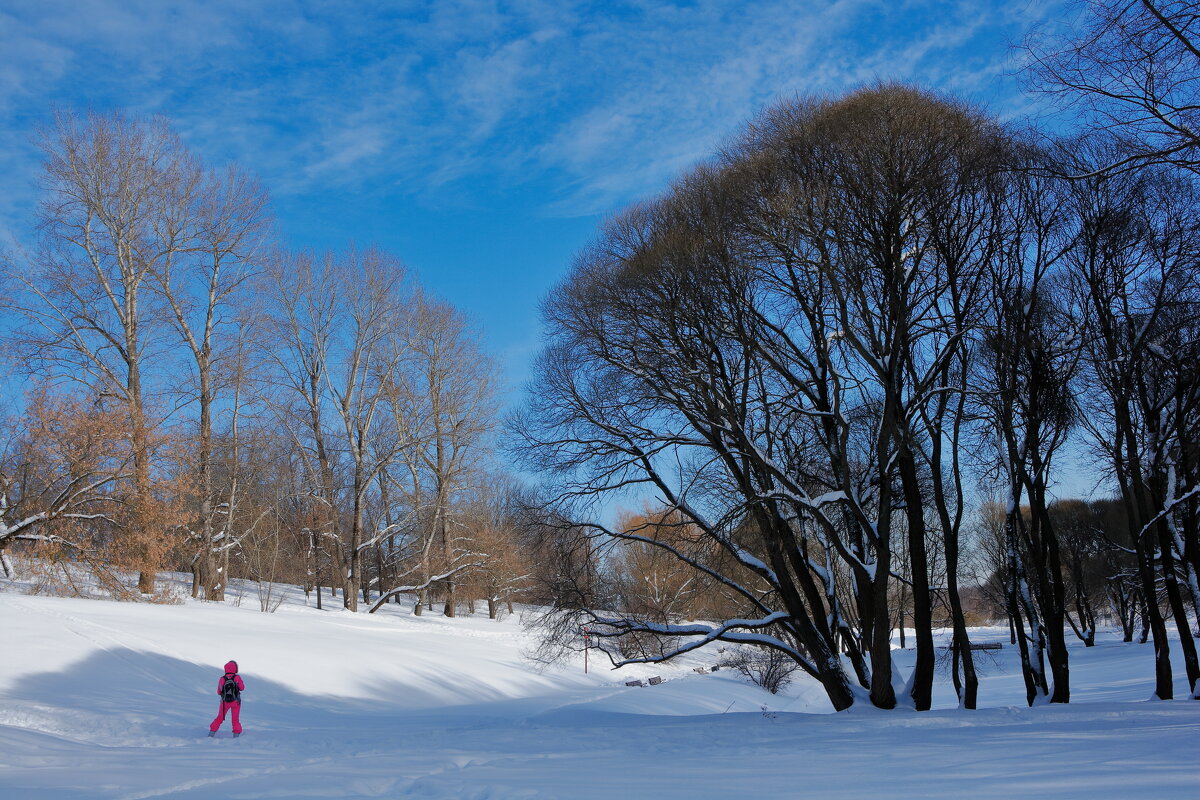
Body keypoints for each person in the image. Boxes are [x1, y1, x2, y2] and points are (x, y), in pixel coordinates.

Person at [208, 660, 245, 737]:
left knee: (219, 718)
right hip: (236, 702)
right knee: (235, 719)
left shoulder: (222, 679)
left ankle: (211, 734)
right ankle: (236, 736)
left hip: (224, 702)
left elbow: (219, 692)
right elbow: (242, 688)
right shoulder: (237, 677)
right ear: (235, 668)